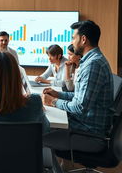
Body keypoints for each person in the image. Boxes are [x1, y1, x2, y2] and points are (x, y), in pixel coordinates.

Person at [42, 20, 114, 153]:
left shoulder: (93, 64)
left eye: (73, 38)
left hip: (89, 132)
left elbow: (80, 107)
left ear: (83, 39)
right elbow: (79, 96)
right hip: (85, 124)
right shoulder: (90, 61)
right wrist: (59, 94)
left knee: (41, 130)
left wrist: (53, 101)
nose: (72, 42)